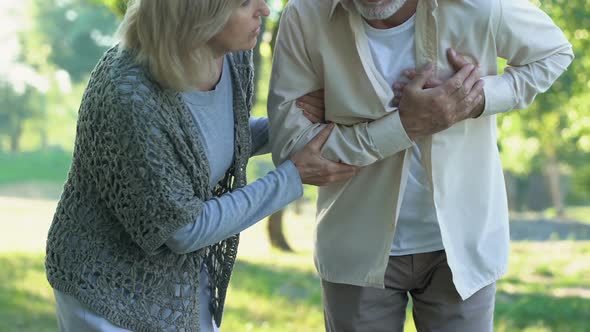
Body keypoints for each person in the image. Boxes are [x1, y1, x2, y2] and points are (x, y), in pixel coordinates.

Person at [44, 0, 359, 331]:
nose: (264, 10)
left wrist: (299, 119)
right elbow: (184, 228)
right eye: (244, 3)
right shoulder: (131, 93)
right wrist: (292, 176)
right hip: (104, 285)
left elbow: (214, 141)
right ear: (197, 12)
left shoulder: (231, 58)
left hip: (180, 281)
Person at [268, 0, 574, 331]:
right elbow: (292, 147)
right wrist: (404, 125)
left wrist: (474, 99)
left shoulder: (479, 6)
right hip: (355, 247)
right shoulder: (303, 16)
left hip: (461, 247)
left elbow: (554, 52)